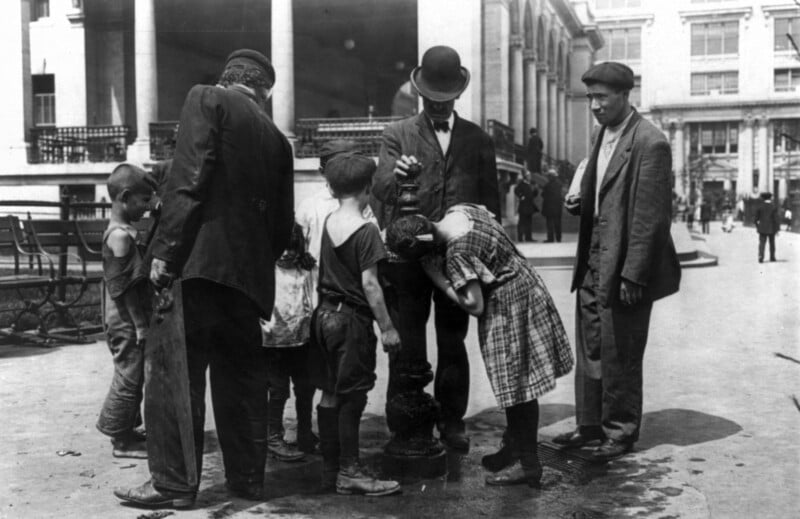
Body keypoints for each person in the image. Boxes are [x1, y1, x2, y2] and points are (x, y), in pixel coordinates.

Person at [115, 49, 294, 509]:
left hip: (194, 268)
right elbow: (282, 226)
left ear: (228, 77)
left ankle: (173, 485)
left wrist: (166, 255)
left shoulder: (207, 98)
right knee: (241, 384)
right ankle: (247, 482)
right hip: (246, 281)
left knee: (175, 376)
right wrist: (250, 265)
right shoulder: (277, 139)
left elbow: (188, 181)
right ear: (262, 91)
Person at [386, 204, 573, 487]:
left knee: (518, 388)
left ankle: (529, 465)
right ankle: (515, 447)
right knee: (516, 386)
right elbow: (492, 216)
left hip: (508, 306)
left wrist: (439, 279)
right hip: (528, 287)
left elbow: (475, 305)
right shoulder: (463, 211)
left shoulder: (459, 253)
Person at [371, 45, 501, 453]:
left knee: (452, 339)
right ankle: (405, 421)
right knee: (408, 340)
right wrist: (397, 174)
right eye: (432, 100)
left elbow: (490, 203)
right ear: (420, 94)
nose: (439, 107)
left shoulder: (478, 139)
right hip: (407, 259)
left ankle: (451, 420)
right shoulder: (398, 134)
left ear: (458, 95)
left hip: (457, 257)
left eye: (446, 101)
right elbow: (378, 191)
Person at [558, 61, 681, 462]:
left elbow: (651, 218)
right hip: (593, 259)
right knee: (592, 345)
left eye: (602, 98)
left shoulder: (651, 143)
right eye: (591, 97)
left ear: (626, 97)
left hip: (625, 265)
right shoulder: (602, 134)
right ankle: (589, 425)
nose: (594, 105)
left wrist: (635, 274)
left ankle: (620, 431)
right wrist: (580, 201)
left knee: (621, 351)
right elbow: (602, 191)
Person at [310, 151, 402, 496]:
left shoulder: (330, 222)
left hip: (324, 317)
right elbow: (370, 284)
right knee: (354, 396)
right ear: (368, 188)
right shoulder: (366, 230)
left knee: (330, 393)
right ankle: (350, 472)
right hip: (350, 321)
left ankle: (330, 469)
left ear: (332, 189)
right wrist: (388, 327)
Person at [96, 163, 156, 460]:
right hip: (125, 320)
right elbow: (125, 288)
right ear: (125, 197)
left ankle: (127, 429)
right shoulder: (119, 236)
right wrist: (141, 325)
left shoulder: (123, 231)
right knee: (129, 376)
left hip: (126, 319)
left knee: (133, 373)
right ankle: (121, 441)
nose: (147, 207)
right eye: (144, 201)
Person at [261, 222, 318, 461]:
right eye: (281, 249)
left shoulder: (305, 269)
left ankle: (305, 433)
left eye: (292, 249)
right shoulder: (266, 270)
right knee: (278, 390)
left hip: (301, 341)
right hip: (274, 343)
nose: (286, 254)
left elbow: (312, 296)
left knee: (305, 388)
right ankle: (273, 436)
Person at [296, 139, 375, 309]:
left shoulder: (362, 204)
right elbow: (298, 245)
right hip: (327, 289)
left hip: (342, 293)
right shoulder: (310, 206)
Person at [754, 192, 781, 263]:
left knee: (762, 243)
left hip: (762, 228)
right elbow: (776, 219)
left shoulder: (760, 206)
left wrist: (758, 227)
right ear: (770, 198)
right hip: (771, 228)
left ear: (763, 198)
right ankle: (772, 257)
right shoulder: (773, 206)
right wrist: (777, 229)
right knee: (772, 243)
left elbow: (755, 219)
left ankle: (761, 256)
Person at [541, 168, 564, 243]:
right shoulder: (559, 184)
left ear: (551, 176)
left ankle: (550, 238)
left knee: (550, 224)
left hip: (549, 208)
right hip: (558, 208)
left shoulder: (547, 186)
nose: (548, 177)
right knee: (558, 223)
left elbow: (543, 195)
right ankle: (558, 238)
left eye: (549, 176)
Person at [514, 172, 538, 242]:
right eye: (528, 176)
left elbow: (533, 195)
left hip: (529, 207)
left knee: (529, 223)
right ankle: (520, 238)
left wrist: (536, 190)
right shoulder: (522, 184)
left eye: (530, 175)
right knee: (522, 223)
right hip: (523, 207)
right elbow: (516, 190)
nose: (530, 177)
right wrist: (521, 196)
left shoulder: (529, 184)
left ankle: (528, 237)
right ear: (525, 177)